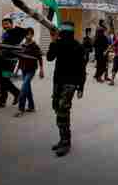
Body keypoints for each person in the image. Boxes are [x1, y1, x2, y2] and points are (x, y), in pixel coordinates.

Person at [46, 21, 86, 157]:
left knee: (62, 111)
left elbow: (82, 69)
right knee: (57, 109)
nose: (65, 34)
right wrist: (52, 41)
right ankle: (63, 138)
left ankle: (65, 141)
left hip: (70, 84)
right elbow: (49, 58)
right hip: (58, 82)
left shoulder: (78, 46)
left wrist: (81, 87)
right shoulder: (58, 43)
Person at [0, 18, 26, 109]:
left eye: (7, 24)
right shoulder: (5, 34)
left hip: (10, 62)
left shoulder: (16, 33)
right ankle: (2, 100)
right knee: (0, 80)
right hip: (2, 60)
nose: (5, 26)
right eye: (3, 24)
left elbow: (23, 32)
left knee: (5, 80)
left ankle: (17, 93)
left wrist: (17, 26)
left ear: (11, 24)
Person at [14, 28, 44, 117]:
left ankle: (20, 109)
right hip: (23, 69)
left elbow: (40, 58)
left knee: (23, 88)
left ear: (32, 35)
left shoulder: (35, 46)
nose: (28, 36)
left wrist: (41, 70)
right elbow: (20, 58)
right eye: (27, 34)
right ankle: (31, 106)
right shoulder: (22, 45)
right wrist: (16, 70)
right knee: (27, 89)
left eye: (30, 34)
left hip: (31, 70)